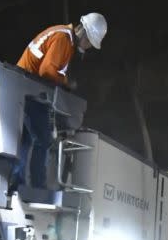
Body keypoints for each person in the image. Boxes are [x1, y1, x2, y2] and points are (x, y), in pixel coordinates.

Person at [12, 13, 107, 190]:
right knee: (44, 139)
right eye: (89, 43)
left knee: (26, 139)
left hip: (23, 87)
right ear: (84, 34)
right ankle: (38, 186)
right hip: (31, 90)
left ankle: (18, 182)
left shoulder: (62, 35)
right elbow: (47, 71)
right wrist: (67, 83)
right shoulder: (64, 39)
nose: (87, 48)